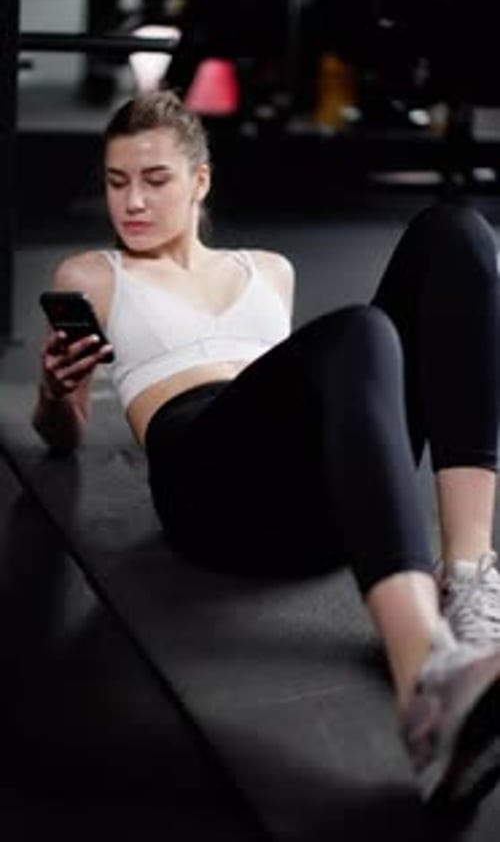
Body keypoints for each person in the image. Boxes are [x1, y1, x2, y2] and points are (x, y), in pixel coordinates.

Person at [33, 89, 500, 810]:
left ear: (201, 180)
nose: (131, 201)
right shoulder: (93, 275)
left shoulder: (268, 268)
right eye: (116, 181)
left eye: (154, 180)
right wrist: (55, 394)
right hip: (204, 481)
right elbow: (58, 438)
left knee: (459, 231)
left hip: (305, 483)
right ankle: (425, 683)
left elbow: (310, 382)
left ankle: (468, 576)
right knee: (361, 334)